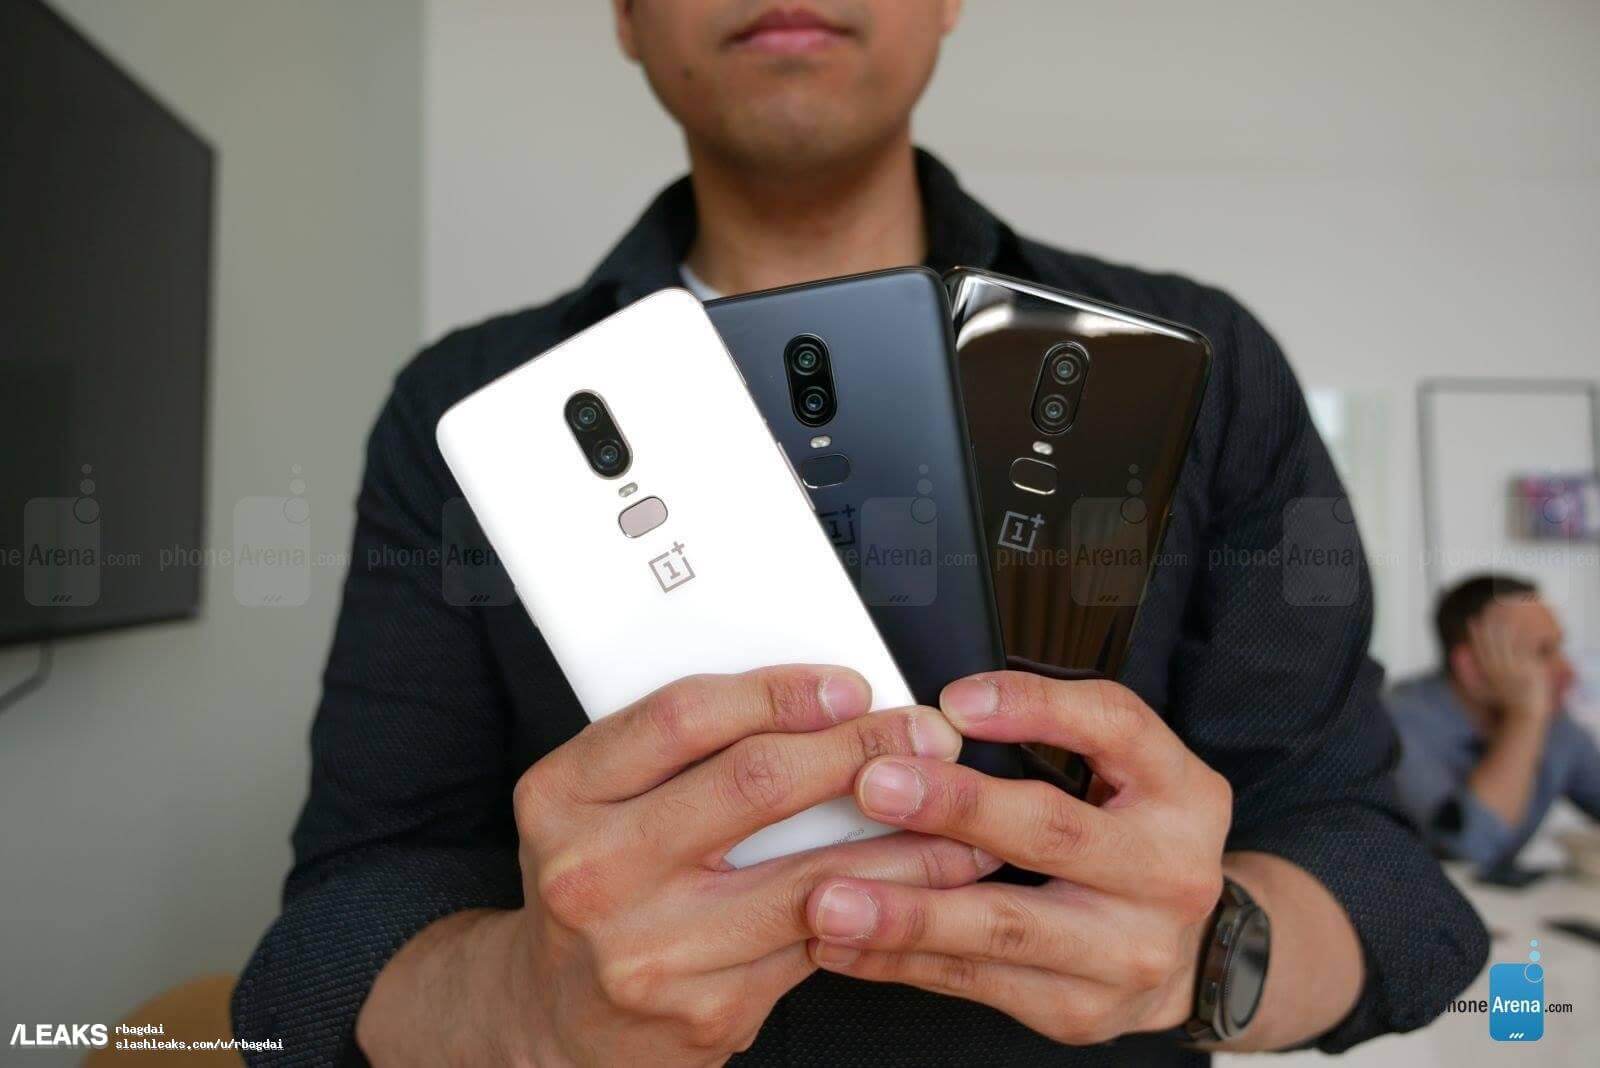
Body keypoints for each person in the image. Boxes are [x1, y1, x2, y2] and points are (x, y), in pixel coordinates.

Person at [233, 3, 1487, 1064]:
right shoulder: (473, 409)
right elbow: (323, 941)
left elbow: (1388, 886)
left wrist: (1200, 960)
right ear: (624, 16)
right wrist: (519, 1003)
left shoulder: (1189, 364)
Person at [1389, 574, 1600, 872]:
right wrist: (1524, 717)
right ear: (1472, 667)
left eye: (1559, 648)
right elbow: (1470, 851)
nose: (1568, 671)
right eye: (1542, 652)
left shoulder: (1559, 728)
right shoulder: (1397, 725)